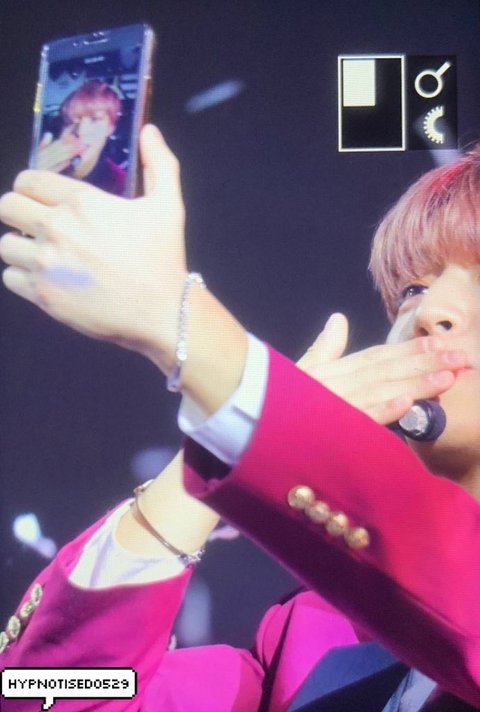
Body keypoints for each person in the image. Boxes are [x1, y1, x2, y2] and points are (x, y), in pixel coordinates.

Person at [0, 124, 479, 710]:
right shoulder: (308, 638)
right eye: (412, 290)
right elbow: (44, 692)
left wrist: (180, 324)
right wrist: (207, 463)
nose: (431, 311)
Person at [35, 79, 126, 195]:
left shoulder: (120, 185)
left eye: (94, 119)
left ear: (110, 128)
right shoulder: (43, 165)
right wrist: (32, 179)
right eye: (71, 122)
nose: (81, 132)